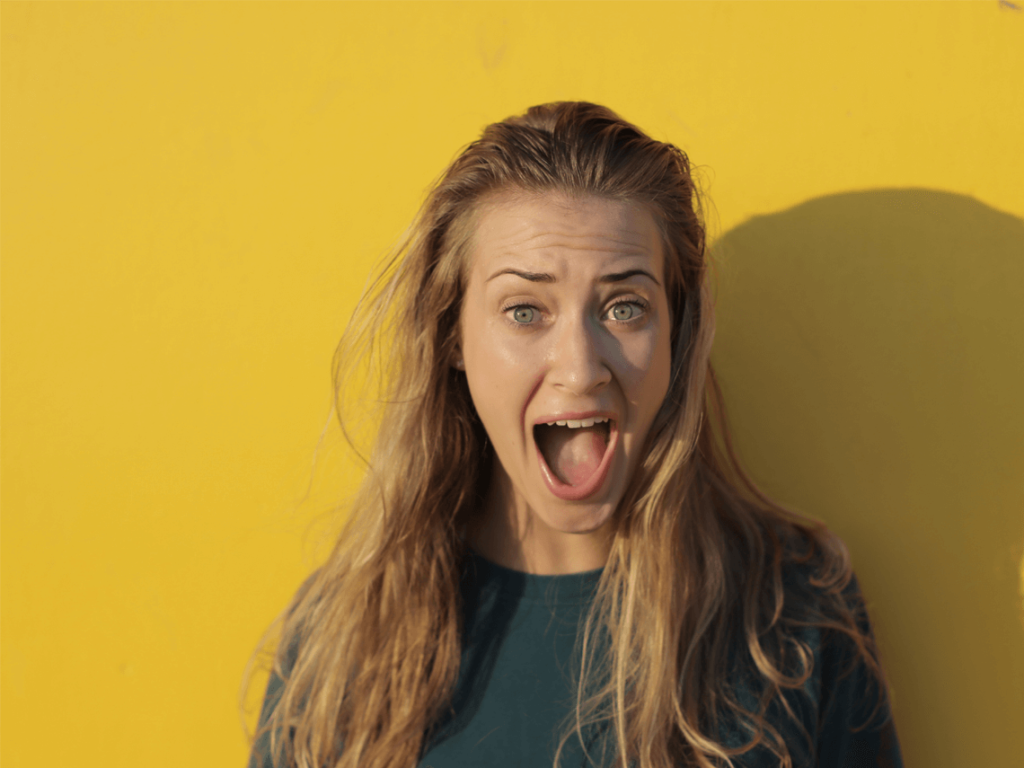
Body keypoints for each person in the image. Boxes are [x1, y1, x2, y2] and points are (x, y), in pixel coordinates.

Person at [244, 102, 903, 768]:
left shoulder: (792, 615)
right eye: (525, 311)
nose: (582, 369)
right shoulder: (343, 639)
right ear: (452, 335)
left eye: (624, 307)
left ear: (677, 330)